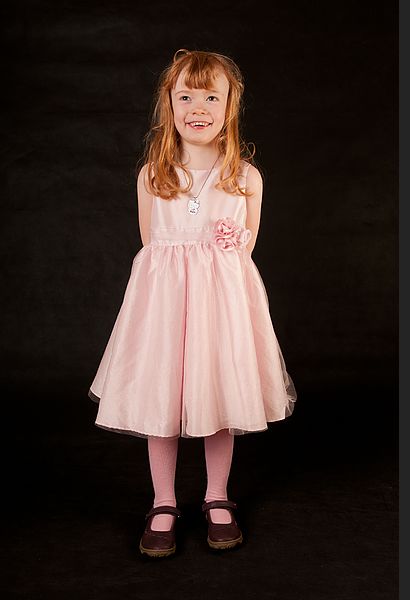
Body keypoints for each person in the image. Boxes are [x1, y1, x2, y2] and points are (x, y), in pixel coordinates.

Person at [87, 48, 297, 558]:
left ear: (229, 106)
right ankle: (163, 501)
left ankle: (217, 496)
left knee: (218, 394)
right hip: (163, 308)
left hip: (221, 309)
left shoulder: (245, 177)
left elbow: (243, 254)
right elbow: (153, 248)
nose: (196, 106)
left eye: (210, 96)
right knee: (162, 394)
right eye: (185, 95)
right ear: (169, 104)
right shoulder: (152, 177)